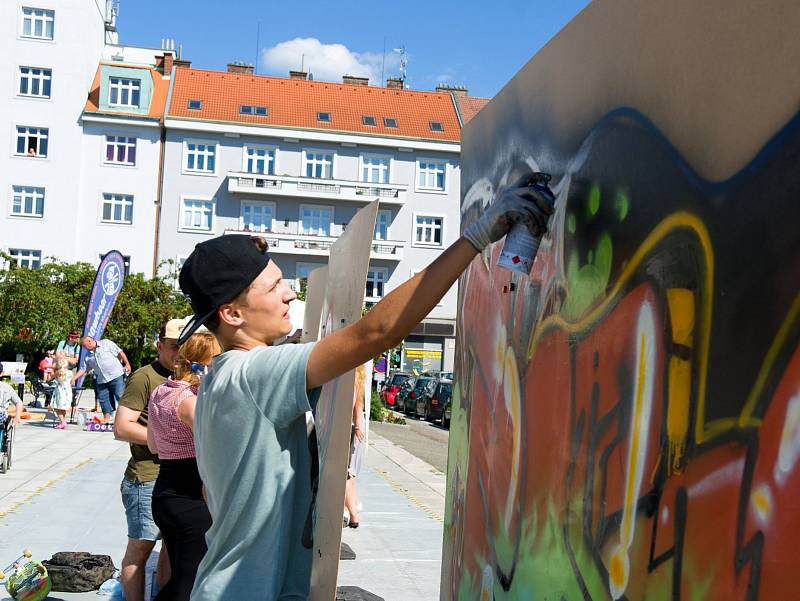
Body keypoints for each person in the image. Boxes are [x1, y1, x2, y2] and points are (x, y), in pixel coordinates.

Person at [176, 178, 552, 599]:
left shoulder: (218, 378)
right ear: (231, 313)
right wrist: (479, 235)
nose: (289, 293)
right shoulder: (253, 374)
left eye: (283, 280)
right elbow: (377, 332)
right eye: (273, 287)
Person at [113, 320, 183, 601]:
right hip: (146, 478)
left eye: (185, 345)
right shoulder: (144, 377)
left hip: (175, 478)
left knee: (170, 550)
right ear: (160, 345)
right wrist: (160, 440)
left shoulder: (185, 378)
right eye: (174, 346)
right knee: (140, 551)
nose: (180, 352)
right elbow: (122, 427)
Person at [147, 332, 220, 601]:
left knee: (182, 577)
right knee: (190, 584)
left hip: (165, 491)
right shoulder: (190, 402)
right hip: (191, 498)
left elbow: (154, 446)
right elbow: (218, 450)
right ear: (205, 363)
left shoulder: (160, 391)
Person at [72, 336, 131, 422]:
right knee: (103, 399)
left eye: (85, 346)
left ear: (89, 342)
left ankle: (129, 418)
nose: (85, 349)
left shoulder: (106, 343)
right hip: (101, 380)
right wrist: (74, 378)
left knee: (121, 396)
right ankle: (107, 419)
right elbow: (83, 369)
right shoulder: (87, 356)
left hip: (116, 375)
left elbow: (120, 352)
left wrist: (127, 364)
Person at [343, 363, 367, 528]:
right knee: (348, 473)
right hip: (353, 427)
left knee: (345, 473)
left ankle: (353, 513)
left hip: (352, 428)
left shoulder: (352, 379)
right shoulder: (355, 378)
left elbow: (358, 407)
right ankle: (352, 509)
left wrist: (357, 427)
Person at [49, 352, 72, 429]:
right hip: (67, 392)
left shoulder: (57, 373)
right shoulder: (70, 373)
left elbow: (50, 376)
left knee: (56, 407)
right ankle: (62, 421)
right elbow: (72, 381)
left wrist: (53, 367)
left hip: (60, 392)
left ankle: (62, 422)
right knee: (63, 408)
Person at [0, 363, 24, 429]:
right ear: (1, 373)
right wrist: (17, 416)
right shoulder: (7, 387)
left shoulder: (7, 387)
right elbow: (19, 402)